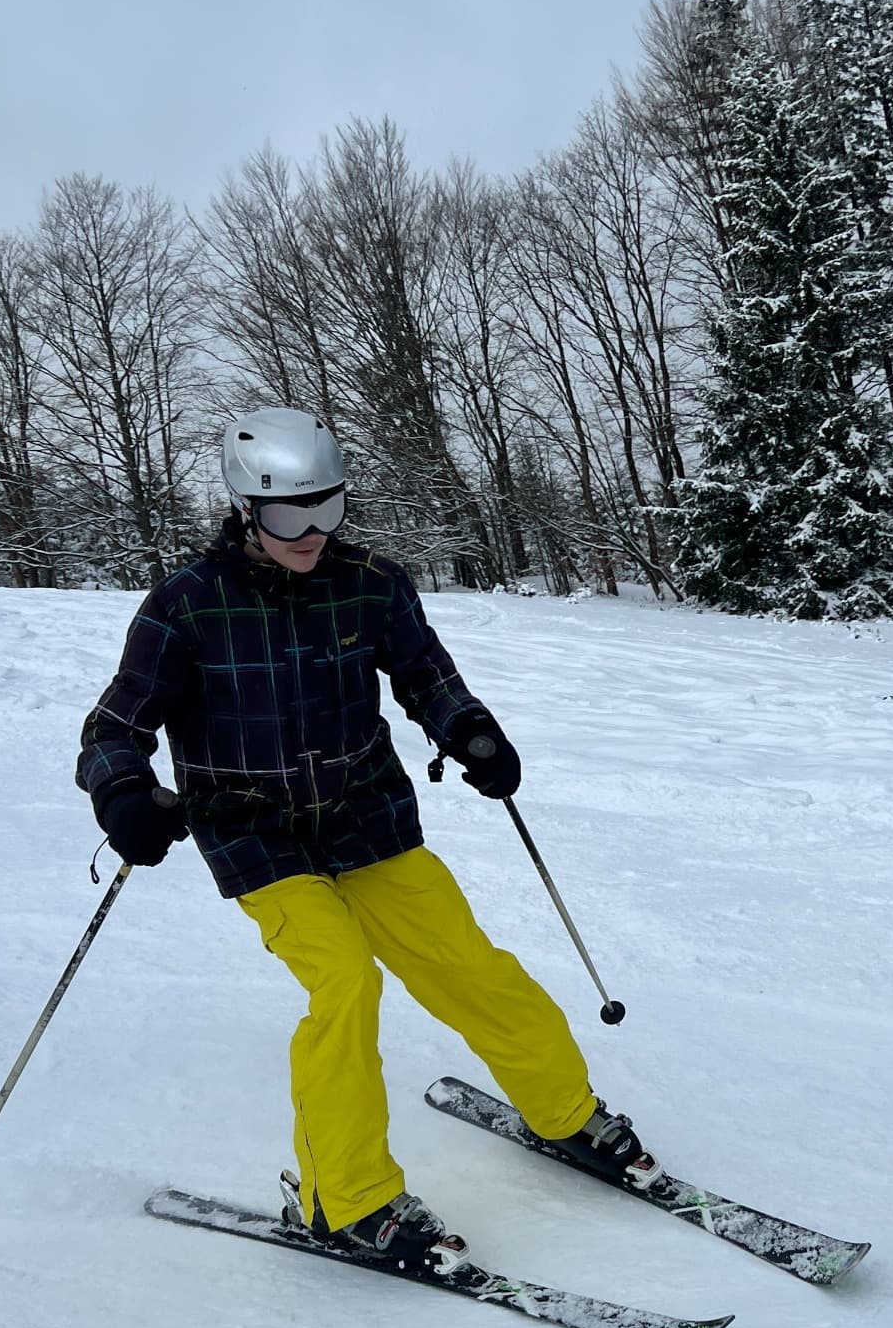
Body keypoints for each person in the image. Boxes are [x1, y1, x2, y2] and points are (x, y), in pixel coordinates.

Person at [76, 405, 649, 1276]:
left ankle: (565, 1111)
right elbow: (114, 726)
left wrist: (471, 732)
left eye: (328, 507)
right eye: (286, 514)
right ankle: (343, 1199)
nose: (310, 532)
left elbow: (426, 674)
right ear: (245, 510)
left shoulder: (372, 583)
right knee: (346, 983)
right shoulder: (186, 605)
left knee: (466, 961)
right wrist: (121, 790)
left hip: (367, 816)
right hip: (253, 832)